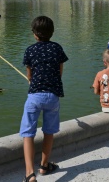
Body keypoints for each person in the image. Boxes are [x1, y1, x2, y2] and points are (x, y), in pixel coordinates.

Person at [20, 16, 68, 182]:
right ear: (52, 32)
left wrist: (31, 79)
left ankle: (29, 173)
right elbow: (59, 73)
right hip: (52, 96)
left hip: (35, 96)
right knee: (49, 132)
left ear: (34, 34)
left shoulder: (30, 50)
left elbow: (30, 75)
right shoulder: (57, 48)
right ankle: (44, 165)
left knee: (28, 134)